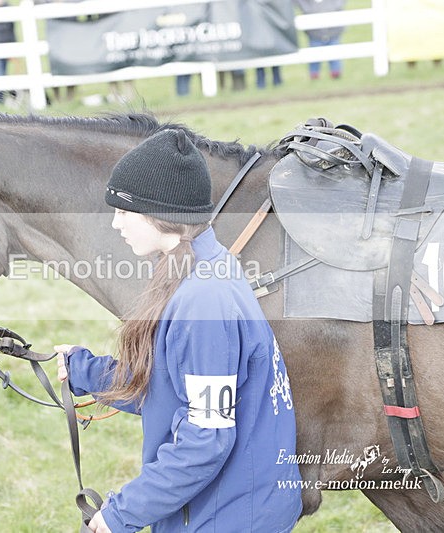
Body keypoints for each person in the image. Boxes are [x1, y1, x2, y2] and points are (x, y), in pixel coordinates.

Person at [54, 129, 302, 532]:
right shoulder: (199, 266)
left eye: (124, 210)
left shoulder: (203, 301)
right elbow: (171, 385)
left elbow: (206, 441)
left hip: (227, 518)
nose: (115, 223)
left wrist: (120, 515)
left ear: (160, 213)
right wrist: (83, 370)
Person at [295, 0, 346, 79]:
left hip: (333, 31)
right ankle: (314, 75)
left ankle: (336, 74)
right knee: (314, 55)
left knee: (334, 54)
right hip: (315, 33)